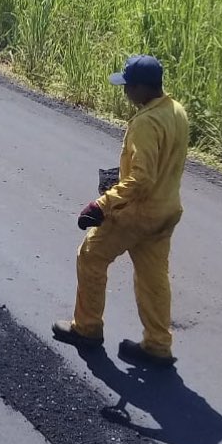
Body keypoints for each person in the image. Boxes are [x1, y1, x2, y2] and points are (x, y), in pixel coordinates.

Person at [52, 55, 190, 367]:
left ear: (142, 88)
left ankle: (87, 328)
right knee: (153, 278)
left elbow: (142, 179)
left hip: (138, 213)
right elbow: (159, 165)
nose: (125, 91)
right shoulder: (176, 111)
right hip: (166, 210)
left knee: (91, 255)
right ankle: (157, 345)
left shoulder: (145, 123)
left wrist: (102, 204)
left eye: (128, 86)